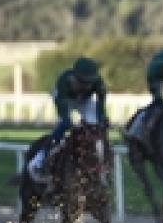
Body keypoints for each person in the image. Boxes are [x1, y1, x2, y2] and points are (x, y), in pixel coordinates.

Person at [26, 56, 109, 185]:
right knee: (64, 124)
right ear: (74, 77)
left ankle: (102, 165)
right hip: (65, 99)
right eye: (83, 82)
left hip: (85, 101)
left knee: (96, 128)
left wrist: (102, 119)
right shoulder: (64, 82)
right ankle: (40, 160)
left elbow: (101, 106)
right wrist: (68, 122)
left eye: (90, 82)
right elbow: (64, 114)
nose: (87, 86)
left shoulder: (98, 82)